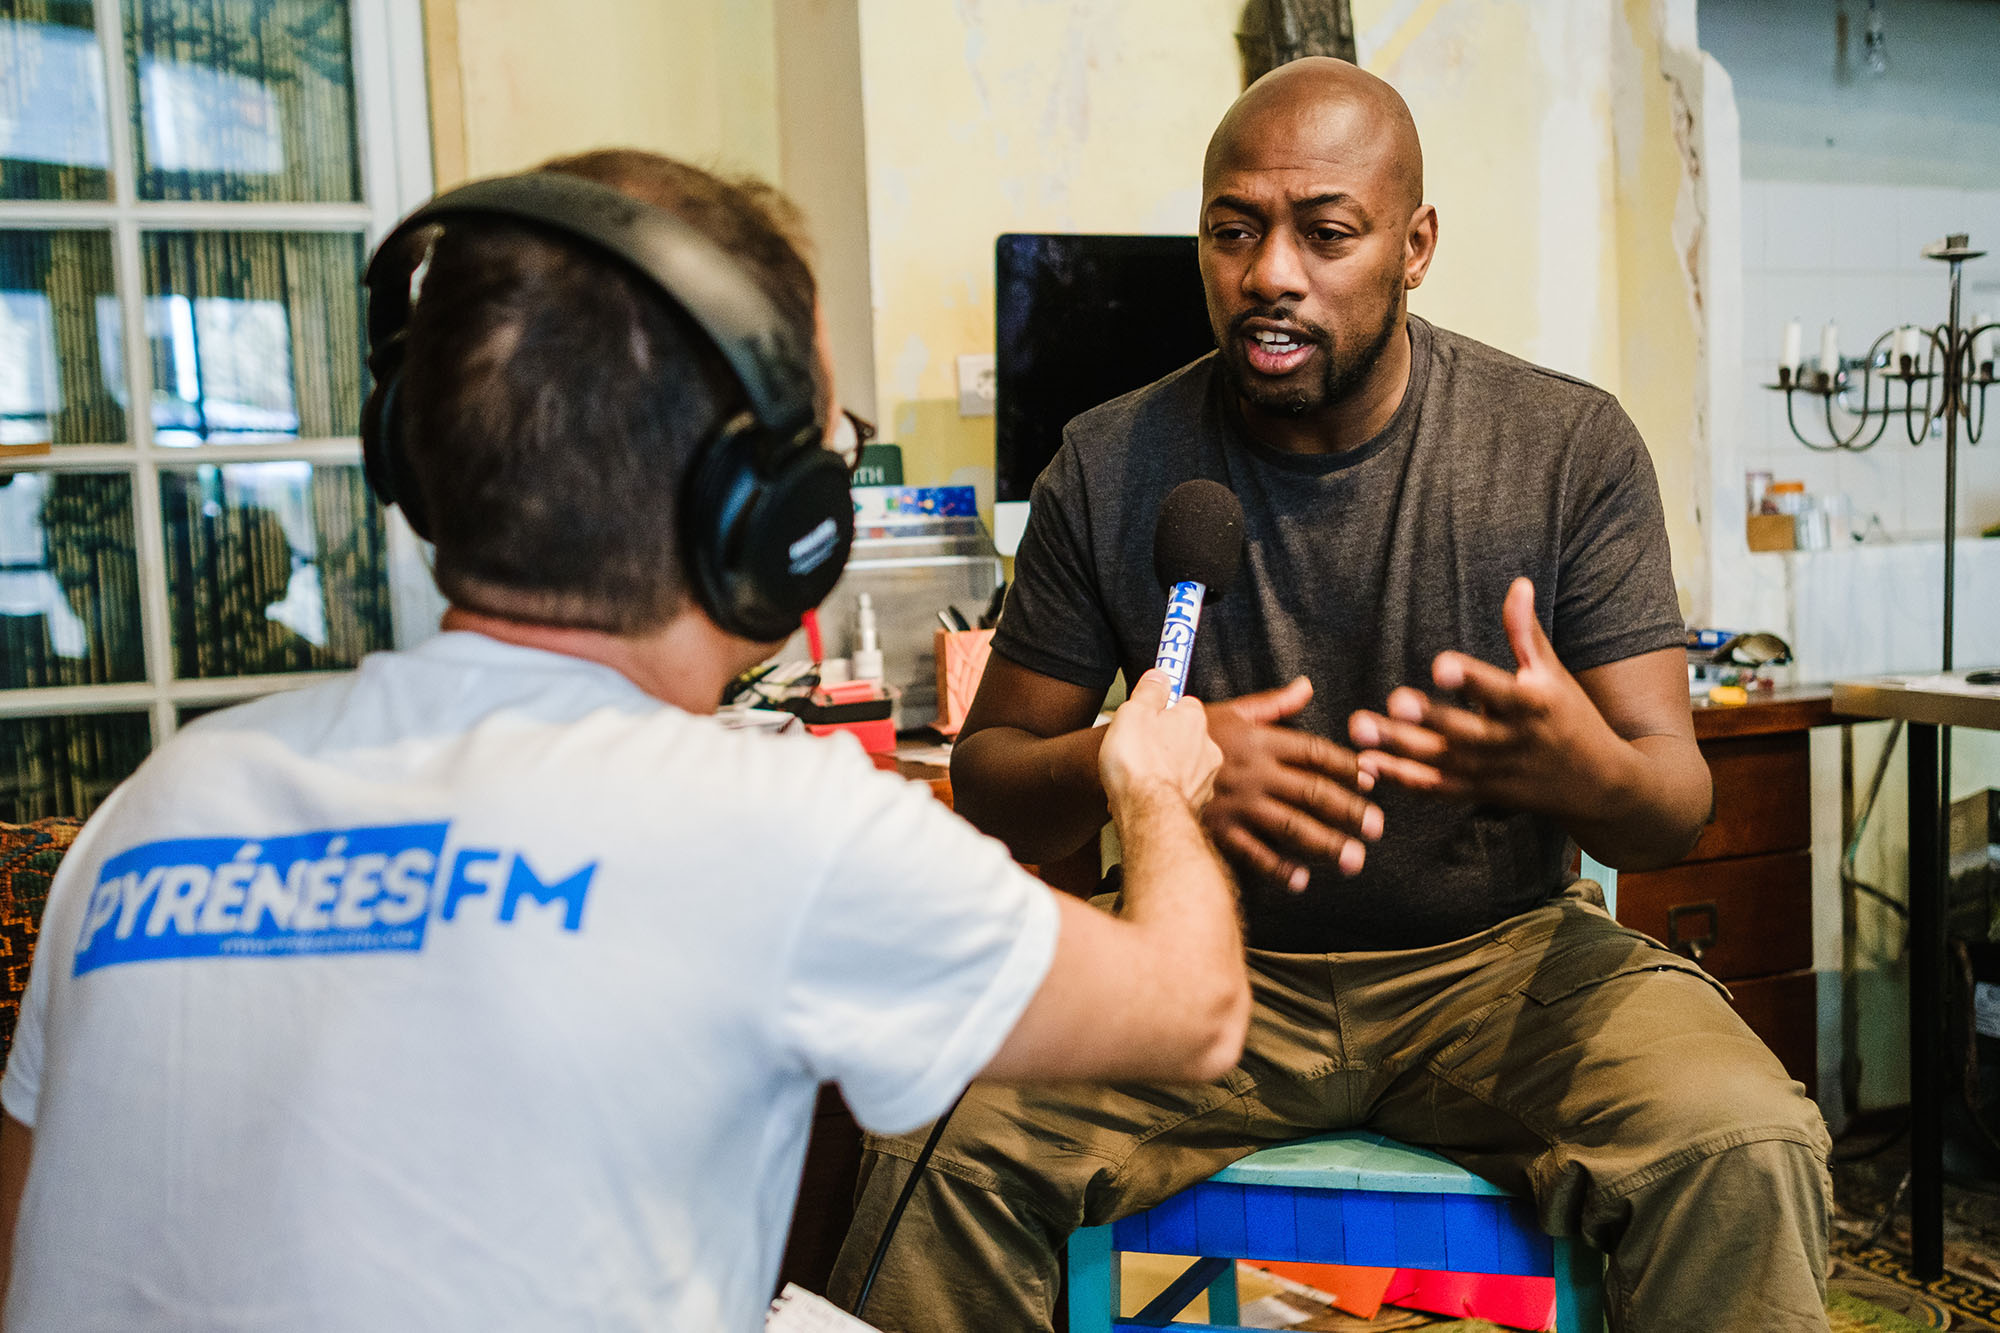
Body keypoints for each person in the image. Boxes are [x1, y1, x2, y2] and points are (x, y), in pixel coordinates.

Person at [0, 150, 1252, 1333]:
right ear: (774, 518)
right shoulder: (774, 822)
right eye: (829, 440)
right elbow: (1193, 1013)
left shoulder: (156, 807)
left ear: (416, 458)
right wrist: (1147, 780)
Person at [830, 58, 1832, 1333]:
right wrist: (1131, 765)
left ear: (1413, 246)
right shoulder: (1112, 457)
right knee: (938, 1144)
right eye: (1233, 230)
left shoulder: (1561, 447)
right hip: (1192, 961)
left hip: (1500, 961)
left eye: (1325, 231)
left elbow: (1669, 804)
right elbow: (991, 781)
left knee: (1738, 1142)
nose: (1270, 274)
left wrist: (1576, 770)